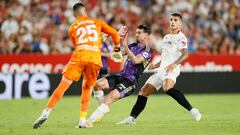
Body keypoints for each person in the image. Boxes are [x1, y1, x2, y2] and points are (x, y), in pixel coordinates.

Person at [33, 3, 122, 129]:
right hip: (94, 58)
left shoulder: (72, 28)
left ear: (74, 14)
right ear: (85, 11)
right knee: (86, 88)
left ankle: (45, 112)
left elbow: (79, 44)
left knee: (62, 86)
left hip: (79, 56)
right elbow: (114, 34)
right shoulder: (97, 22)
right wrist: (117, 49)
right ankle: (82, 120)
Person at [117, 13, 201, 125]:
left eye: (175, 20)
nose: (172, 22)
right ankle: (132, 119)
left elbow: (185, 54)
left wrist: (174, 64)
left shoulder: (181, 38)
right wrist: (154, 65)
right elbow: (165, 58)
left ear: (180, 23)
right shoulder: (166, 37)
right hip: (161, 70)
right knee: (143, 92)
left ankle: (193, 110)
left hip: (171, 70)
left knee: (167, 88)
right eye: (171, 19)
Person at [88, 24, 153, 127]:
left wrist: (126, 47)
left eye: (139, 33)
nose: (136, 35)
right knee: (96, 84)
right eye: (136, 32)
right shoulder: (133, 46)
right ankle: (100, 111)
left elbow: (136, 61)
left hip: (130, 82)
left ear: (146, 35)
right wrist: (117, 39)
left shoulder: (148, 50)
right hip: (120, 76)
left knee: (109, 97)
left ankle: (90, 121)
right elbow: (115, 54)